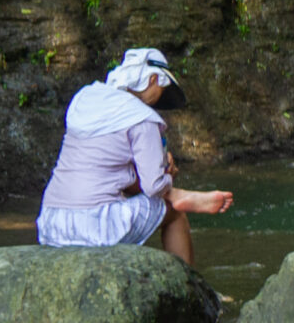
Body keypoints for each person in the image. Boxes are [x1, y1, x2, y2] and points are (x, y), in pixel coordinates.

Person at [36, 47, 233, 265]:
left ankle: (180, 195)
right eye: (163, 88)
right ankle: (189, 286)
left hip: (52, 222)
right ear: (153, 79)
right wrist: (168, 175)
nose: (160, 100)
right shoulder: (142, 118)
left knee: (136, 190)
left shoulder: (85, 98)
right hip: (95, 227)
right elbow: (154, 187)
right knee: (174, 213)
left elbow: (109, 173)